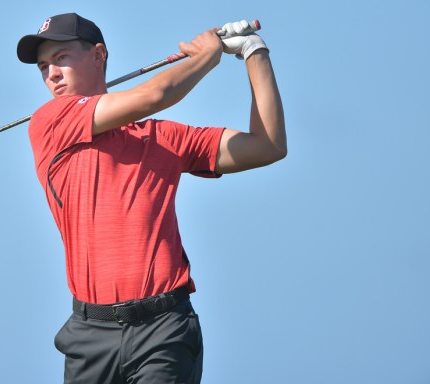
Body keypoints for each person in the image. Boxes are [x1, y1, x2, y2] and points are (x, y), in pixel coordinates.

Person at [16, 12, 285, 384]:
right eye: (43, 66)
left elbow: (267, 146)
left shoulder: (164, 138)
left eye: (61, 58)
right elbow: (154, 95)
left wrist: (255, 53)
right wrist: (207, 56)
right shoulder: (50, 121)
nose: (52, 74)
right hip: (89, 335)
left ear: (98, 55)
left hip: (164, 329)